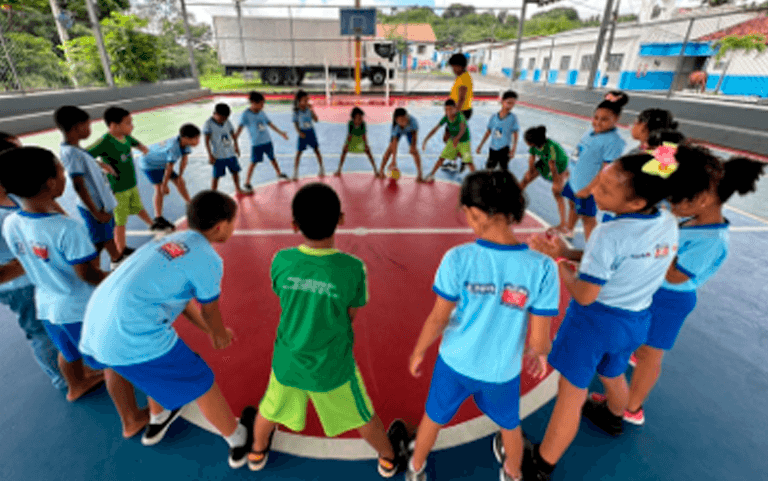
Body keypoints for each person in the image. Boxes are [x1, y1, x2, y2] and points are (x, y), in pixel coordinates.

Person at [525, 146, 688, 480]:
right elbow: (623, 259)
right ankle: (615, 416)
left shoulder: (607, 233)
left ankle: (541, 465)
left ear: (635, 203)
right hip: (636, 319)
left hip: (593, 323)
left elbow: (585, 295)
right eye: (600, 180)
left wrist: (559, 263)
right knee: (613, 373)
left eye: (606, 189)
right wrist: (569, 251)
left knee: (571, 396)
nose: (594, 189)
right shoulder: (668, 221)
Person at [589, 148, 765, 427]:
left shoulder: (712, 240)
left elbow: (675, 277)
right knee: (638, 344)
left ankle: (632, 408)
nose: (670, 204)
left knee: (650, 355)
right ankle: (620, 396)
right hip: (652, 289)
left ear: (703, 199)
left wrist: (655, 243)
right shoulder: (690, 215)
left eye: (676, 199)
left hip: (670, 301)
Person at [245, 183, 411, 475]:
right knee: (361, 416)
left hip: (289, 358)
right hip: (332, 364)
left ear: (295, 225)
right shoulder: (351, 268)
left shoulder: (281, 260)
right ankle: (388, 457)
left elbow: (281, 295)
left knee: (269, 409)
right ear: (341, 219)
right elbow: (351, 313)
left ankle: (257, 452)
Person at [80, 190, 254, 462]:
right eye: (235, 221)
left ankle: (159, 414)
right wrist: (218, 334)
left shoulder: (172, 241)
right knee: (202, 382)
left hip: (98, 326)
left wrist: (210, 332)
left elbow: (183, 302)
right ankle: (239, 440)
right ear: (221, 226)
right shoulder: (208, 259)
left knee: (150, 368)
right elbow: (209, 308)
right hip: (133, 335)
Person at [406, 170, 559, 481]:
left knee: (433, 419)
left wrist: (419, 350)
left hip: (455, 362)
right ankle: (513, 473)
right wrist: (538, 353)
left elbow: (439, 317)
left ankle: (416, 468)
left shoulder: (457, 259)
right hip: (502, 371)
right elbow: (540, 340)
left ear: (475, 213)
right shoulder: (542, 267)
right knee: (510, 426)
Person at [0, 147, 150, 437]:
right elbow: (88, 275)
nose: (64, 176)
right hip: (80, 308)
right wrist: (117, 281)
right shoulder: (68, 230)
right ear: (52, 183)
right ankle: (132, 418)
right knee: (111, 362)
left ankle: (75, 385)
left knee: (66, 351)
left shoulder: (11, 223)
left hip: (47, 305)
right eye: (60, 171)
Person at [0, 137, 65, 391]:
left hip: (36, 276)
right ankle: (61, 376)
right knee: (40, 330)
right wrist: (0, 277)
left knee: (54, 322)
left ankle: (70, 367)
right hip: (19, 287)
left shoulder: (8, 194)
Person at [55, 106, 123, 267]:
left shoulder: (74, 149)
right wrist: (96, 212)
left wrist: (100, 165)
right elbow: (78, 184)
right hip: (95, 206)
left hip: (100, 204)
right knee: (103, 240)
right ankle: (110, 264)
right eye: (88, 125)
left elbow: (85, 162)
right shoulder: (72, 153)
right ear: (77, 127)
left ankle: (109, 262)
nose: (90, 129)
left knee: (102, 240)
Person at [87, 107, 158, 256]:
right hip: (118, 189)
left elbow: (133, 142)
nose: (132, 126)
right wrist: (102, 165)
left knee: (138, 207)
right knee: (120, 222)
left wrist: (142, 147)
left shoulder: (125, 137)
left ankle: (152, 225)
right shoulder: (105, 142)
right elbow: (83, 156)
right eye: (128, 123)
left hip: (131, 184)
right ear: (114, 125)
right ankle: (121, 250)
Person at [562, 100, 626, 240]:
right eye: (596, 118)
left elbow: (607, 170)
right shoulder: (590, 132)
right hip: (574, 181)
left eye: (604, 119)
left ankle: (591, 249)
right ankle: (569, 230)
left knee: (587, 218)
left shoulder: (614, 142)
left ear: (616, 119)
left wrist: (589, 189)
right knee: (572, 205)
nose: (597, 122)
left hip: (588, 187)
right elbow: (579, 152)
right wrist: (570, 170)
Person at [141, 123, 201, 231]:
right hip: (149, 163)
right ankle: (158, 218)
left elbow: (184, 160)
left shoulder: (184, 143)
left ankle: (189, 204)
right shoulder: (174, 148)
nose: (198, 141)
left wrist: (180, 176)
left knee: (179, 181)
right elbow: (169, 167)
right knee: (159, 189)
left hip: (162, 161)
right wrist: (164, 185)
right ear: (186, 138)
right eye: (196, 138)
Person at [234, 91, 290, 192]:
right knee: (253, 162)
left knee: (272, 158)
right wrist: (235, 143)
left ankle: (279, 173)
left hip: (267, 141)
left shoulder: (261, 113)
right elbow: (239, 129)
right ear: (253, 103)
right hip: (256, 144)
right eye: (261, 104)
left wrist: (281, 133)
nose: (263, 106)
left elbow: (270, 124)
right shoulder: (246, 115)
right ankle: (247, 182)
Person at [519, 126, 570, 232]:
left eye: (526, 140)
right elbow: (531, 159)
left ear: (531, 142)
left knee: (557, 192)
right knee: (525, 179)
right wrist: (530, 172)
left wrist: (556, 182)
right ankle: (512, 201)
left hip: (558, 164)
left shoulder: (551, 147)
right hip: (545, 161)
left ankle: (563, 224)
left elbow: (552, 166)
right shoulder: (534, 146)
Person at [421, 99, 475, 182]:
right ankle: (431, 175)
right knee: (441, 158)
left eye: (450, 109)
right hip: (453, 140)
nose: (448, 111)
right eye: (446, 109)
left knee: (469, 161)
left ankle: (477, 180)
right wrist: (426, 139)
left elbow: (462, 129)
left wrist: (457, 138)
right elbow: (435, 129)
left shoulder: (460, 116)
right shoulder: (446, 117)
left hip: (464, 141)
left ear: (455, 109)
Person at [204, 103, 251, 195]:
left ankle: (238, 189)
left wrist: (236, 146)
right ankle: (213, 194)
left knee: (235, 172)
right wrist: (210, 155)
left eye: (226, 117)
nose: (224, 120)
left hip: (230, 153)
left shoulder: (227, 121)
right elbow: (206, 141)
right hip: (218, 155)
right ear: (216, 114)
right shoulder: (208, 124)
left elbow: (232, 134)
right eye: (222, 118)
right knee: (216, 176)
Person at [475, 90, 520, 171]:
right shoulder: (494, 117)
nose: (511, 106)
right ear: (502, 101)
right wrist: (480, 146)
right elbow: (488, 132)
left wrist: (513, 149)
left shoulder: (513, 118)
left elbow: (515, 134)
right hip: (493, 148)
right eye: (509, 102)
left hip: (504, 149)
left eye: (513, 104)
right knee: (489, 169)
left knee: (503, 171)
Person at [444, 53, 474, 171]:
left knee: (452, 139)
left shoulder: (464, 78)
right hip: (459, 111)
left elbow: (461, 99)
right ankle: (455, 162)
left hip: (460, 112)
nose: (453, 69)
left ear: (461, 66)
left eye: (454, 66)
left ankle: (463, 160)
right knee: (452, 139)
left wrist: (454, 115)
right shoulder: (462, 77)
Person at [378, 108, 424, 182]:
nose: (404, 121)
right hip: (399, 131)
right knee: (389, 149)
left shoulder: (413, 121)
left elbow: (414, 135)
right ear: (396, 120)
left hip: (410, 132)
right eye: (401, 120)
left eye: (405, 119)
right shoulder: (395, 126)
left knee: (415, 151)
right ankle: (381, 171)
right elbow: (394, 143)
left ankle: (420, 174)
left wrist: (412, 146)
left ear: (407, 116)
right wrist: (393, 160)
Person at [334, 107, 380, 177]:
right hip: (352, 140)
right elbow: (349, 135)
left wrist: (366, 145)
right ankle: (339, 170)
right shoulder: (350, 124)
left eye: (361, 117)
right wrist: (346, 145)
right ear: (353, 118)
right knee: (344, 152)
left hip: (360, 140)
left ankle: (376, 170)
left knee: (369, 152)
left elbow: (364, 135)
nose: (361, 119)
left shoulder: (363, 124)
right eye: (358, 117)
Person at [291, 90, 325, 180]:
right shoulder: (296, 112)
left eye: (307, 100)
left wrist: (312, 110)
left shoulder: (308, 110)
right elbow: (295, 123)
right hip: (302, 133)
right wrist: (299, 132)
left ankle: (321, 168)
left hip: (311, 132)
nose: (307, 102)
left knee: (316, 150)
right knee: (298, 153)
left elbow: (316, 120)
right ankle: (295, 172)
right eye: (305, 100)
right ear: (299, 101)